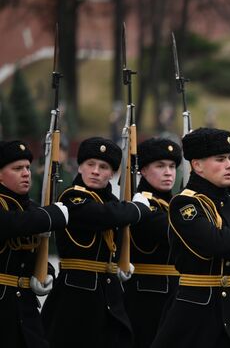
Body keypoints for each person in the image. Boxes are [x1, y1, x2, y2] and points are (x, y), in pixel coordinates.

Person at [151, 127, 230, 348]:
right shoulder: (185, 204)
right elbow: (215, 242)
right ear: (197, 165)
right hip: (196, 309)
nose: (229, 165)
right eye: (220, 159)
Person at [42, 137, 152, 348]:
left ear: (112, 174)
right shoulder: (72, 198)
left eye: (103, 167)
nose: (95, 171)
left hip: (108, 293)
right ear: (80, 167)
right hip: (75, 294)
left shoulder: (115, 203)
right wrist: (138, 209)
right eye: (90, 164)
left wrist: (119, 262)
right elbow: (102, 216)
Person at [0, 140, 68, 348]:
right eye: (17, 168)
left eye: (28, 168)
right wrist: (51, 216)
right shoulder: (34, 215)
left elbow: (32, 256)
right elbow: (10, 224)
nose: (26, 173)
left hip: (25, 308)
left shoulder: (33, 211)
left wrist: (45, 272)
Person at [123, 137, 182, 348]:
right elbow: (174, 230)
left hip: (175, 291)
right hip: (147, 295)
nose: (168, 172)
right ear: (143, 170)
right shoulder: (142, 204)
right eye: (160, 166)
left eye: (172, 166)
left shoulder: (172, 203)